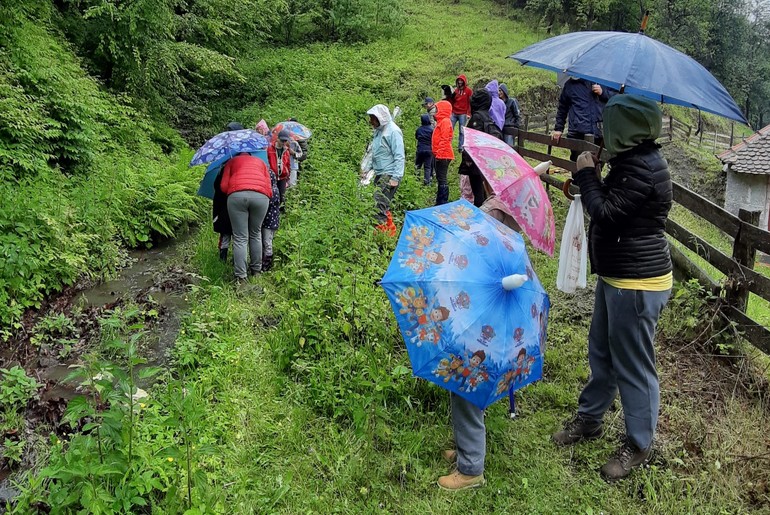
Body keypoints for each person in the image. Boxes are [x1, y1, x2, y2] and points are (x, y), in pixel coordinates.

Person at [552, 94, 673, 482]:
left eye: (609, 123)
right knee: (601, 352)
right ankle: (590, 419)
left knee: (634, 365)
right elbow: (608, 202)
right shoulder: (631, 161)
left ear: (627, 128)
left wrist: (587, 174)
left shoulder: (643, 168)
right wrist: (590, 180)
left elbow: (606, 213)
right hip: (617, 275)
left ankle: (639, 444)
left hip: (637, 283)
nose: (602, 128)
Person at [219, 152, 273, 282]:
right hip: (261, 196)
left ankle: (241, 276)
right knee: (255, 233)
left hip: (237, 196)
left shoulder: (231, 161)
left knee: (240, 237)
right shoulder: (261, 162)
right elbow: (269, 186)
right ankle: (256, 270)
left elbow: (223, 186)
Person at [458, 89, 503, 207]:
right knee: (483, 191)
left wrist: (467, 160)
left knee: (477, 193)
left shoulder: (477, 117)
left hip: (475, 161)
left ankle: (480, 216)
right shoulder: (488, 116)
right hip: (485, 160)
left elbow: (472, 140)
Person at [364, 104, 404, 235]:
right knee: (381, 204)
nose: (371, 122)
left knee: (379, 205)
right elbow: (375, 152)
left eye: (372, 119)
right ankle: (389, 232)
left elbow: (399, 155)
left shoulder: (393, 131)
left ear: (380, 118)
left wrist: (395, 177)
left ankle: (381, 237)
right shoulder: (379, 131)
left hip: (389, 174)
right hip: (380, 173)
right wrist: (368, 168)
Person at [551, 77, 613, 161]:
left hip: (600, 133)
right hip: (577, 133)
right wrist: (558, 129)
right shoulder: (570, 85)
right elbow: (562, 108)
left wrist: (603, 93)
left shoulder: (603, 81)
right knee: (577, 165)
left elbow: (617, 98)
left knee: (597, 167)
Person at [268, 130, 301, 211]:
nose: (283, 142)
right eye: (282, 140)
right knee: (272, 196)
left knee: (282, 197)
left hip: (282, 177)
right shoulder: (270, 149)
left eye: (285, 141)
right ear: (278, 139)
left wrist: (287, 174)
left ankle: (282, 214)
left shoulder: (286, 150)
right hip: (272, 176)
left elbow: (288, 163)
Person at [432, 100, 454, 204]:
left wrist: (440, 153)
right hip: (441, 153)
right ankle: (440, 200)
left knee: (442, 178)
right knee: (440, 177)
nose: (435, 111)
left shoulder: (445, 121)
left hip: (444, 154)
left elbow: (445, 139)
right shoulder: (442, 121)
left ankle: (442, 201)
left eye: (437, 109)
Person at [261, 166, 280, 272]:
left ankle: (267, 264)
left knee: (267, 242)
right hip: (271, 220)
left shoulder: (271, 191)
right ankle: (265, 261)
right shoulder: (274, 189)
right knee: (267, 241)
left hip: (269, 221)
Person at [212, 167, 232, 262]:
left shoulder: (220, 176)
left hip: (223, 213)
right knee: (238, 237)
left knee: (225, 236)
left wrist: (216, 217)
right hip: (238, 210)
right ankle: (236, 261)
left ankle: (222, 259)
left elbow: (217, 201)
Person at [448, 75, 472, 152]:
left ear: (464, 82)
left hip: (463, 113)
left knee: (462, 131)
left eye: (461, 81)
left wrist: (469, 113)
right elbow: (452, 101)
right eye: (459, 81)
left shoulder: (468, 91)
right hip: (454, 112)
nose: (460, 83)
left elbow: (470, 102)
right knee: (450, 129)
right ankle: (448, 145)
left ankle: (461, 147)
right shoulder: (456, 91)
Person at [415, 114, 435, 186]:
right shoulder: (432, 129)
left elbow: (417, 137)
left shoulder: (419, 129)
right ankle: (427, 182)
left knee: (418, 165)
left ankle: (416, 180)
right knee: (427, 167)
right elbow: (434, 139)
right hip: (429, 150)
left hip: (420, 149)